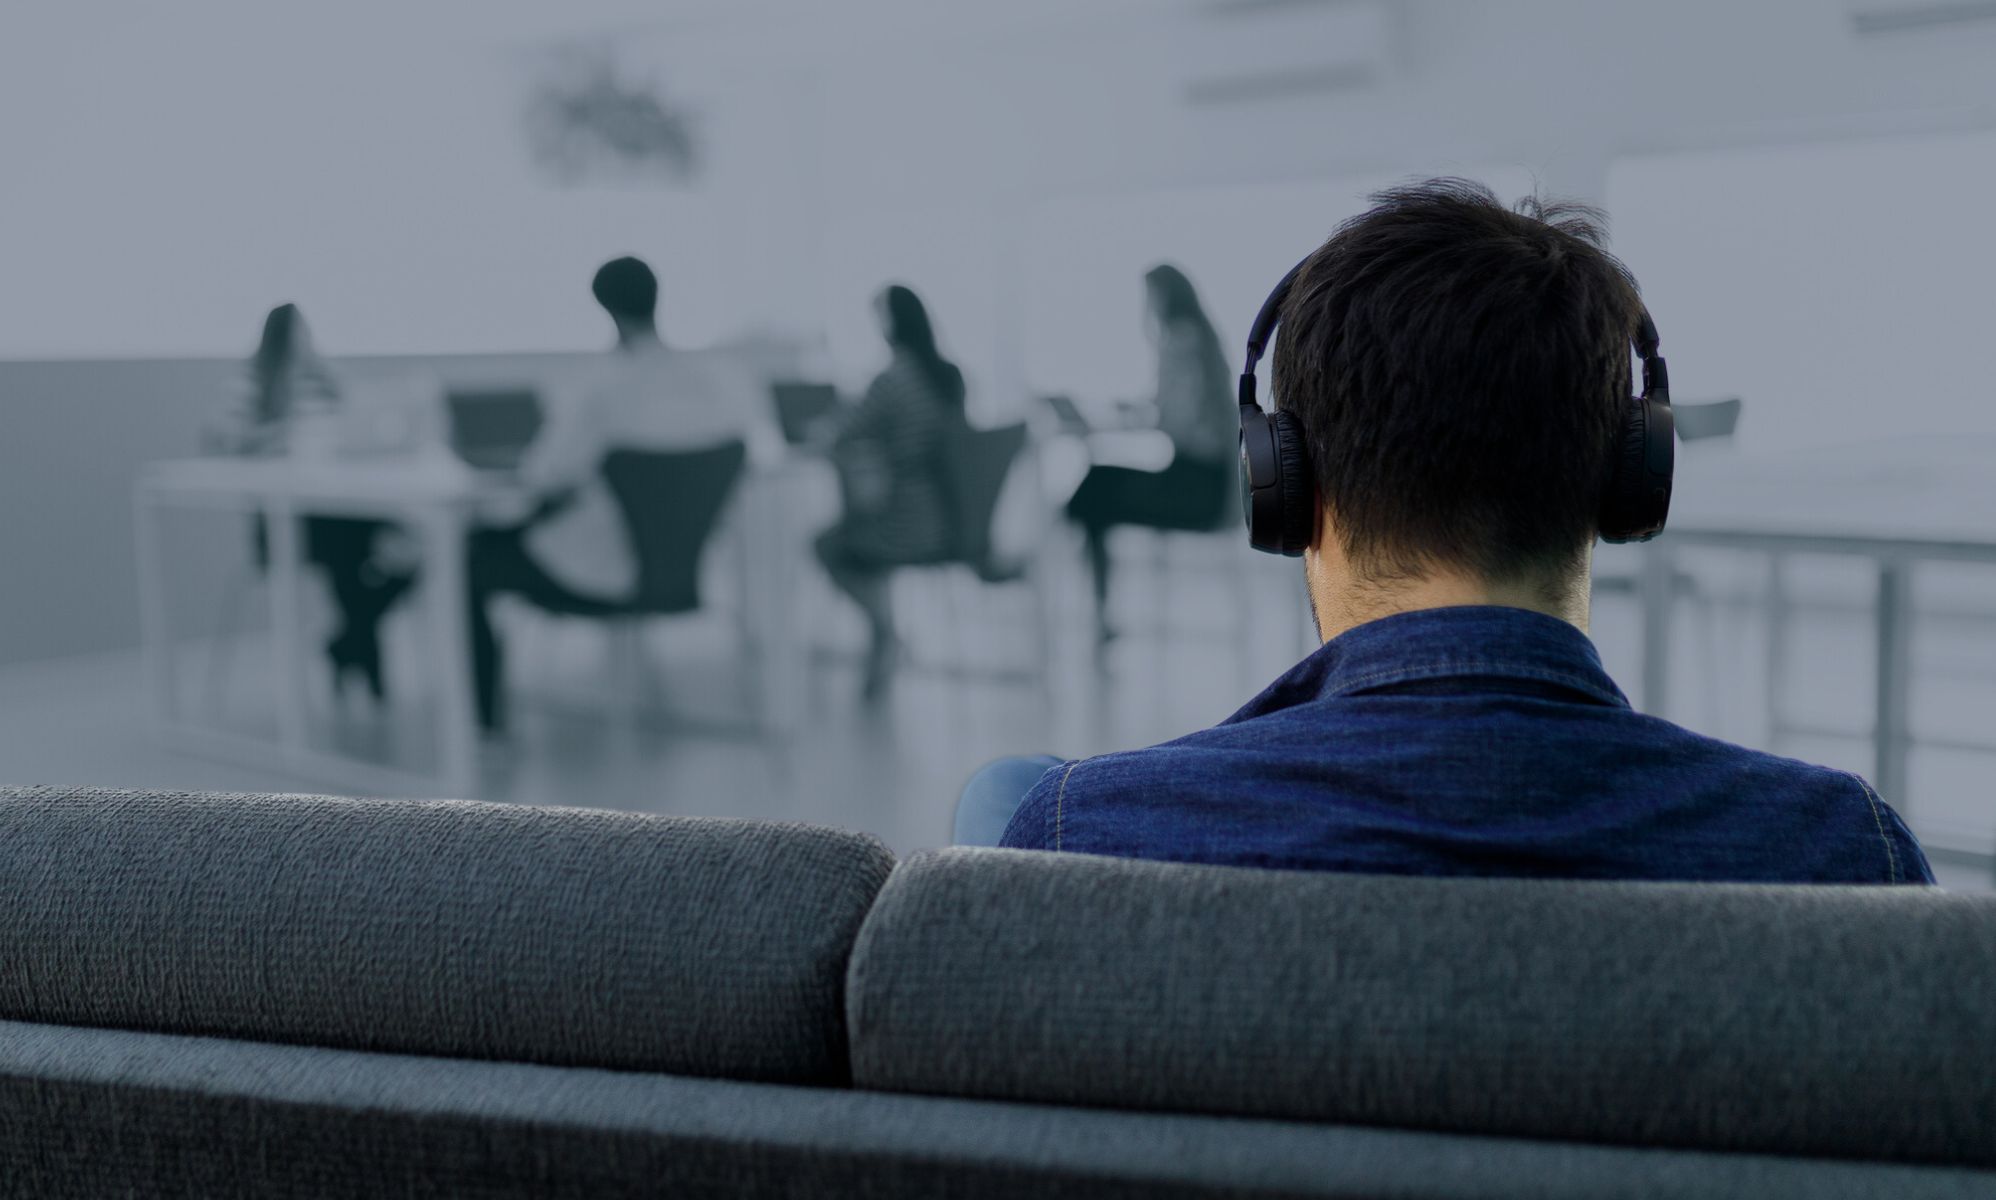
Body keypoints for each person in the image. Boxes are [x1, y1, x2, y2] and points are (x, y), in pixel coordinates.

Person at [958, 178, 1932, 886]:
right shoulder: (1848, 856)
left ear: (1287, 489)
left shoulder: (1072, 839)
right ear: (1627, 480)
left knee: (1002, 784)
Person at [466, 255, 764, 734]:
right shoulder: (715, 381)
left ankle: (485, 730)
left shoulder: (599, 388)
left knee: (472, 561)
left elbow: (544, 475)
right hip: (687, 573)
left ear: (604, 309)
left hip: (598, 576)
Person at [208, 303, 413, 701]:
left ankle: (347, 645)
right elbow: (223, 441)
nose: (305, 342)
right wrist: (280, 436)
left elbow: (356, 429)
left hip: (341, 510)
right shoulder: (250, 384)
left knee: (412, 547)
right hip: (285, 521)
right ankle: (361, 656)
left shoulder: (325, 382)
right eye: (297, 334)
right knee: (351, 558)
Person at [1065, 264, 1238, 644]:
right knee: (1097, 486)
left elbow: (1175, 421)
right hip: (1209, 483)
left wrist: (1111, 423)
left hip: (1195, 488)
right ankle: (1099, 611)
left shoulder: (1180, 339)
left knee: (1094, 489)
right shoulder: (1202, 341)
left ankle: (1099, 612)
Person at [814, 284, 969, 701]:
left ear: (890, 323)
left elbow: (839, 434)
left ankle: (884, 630)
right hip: (950, 519)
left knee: (831, 543)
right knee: (859, 529)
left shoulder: (893, 378)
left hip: (906, 524)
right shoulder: (948, 375)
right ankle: (885, 632)